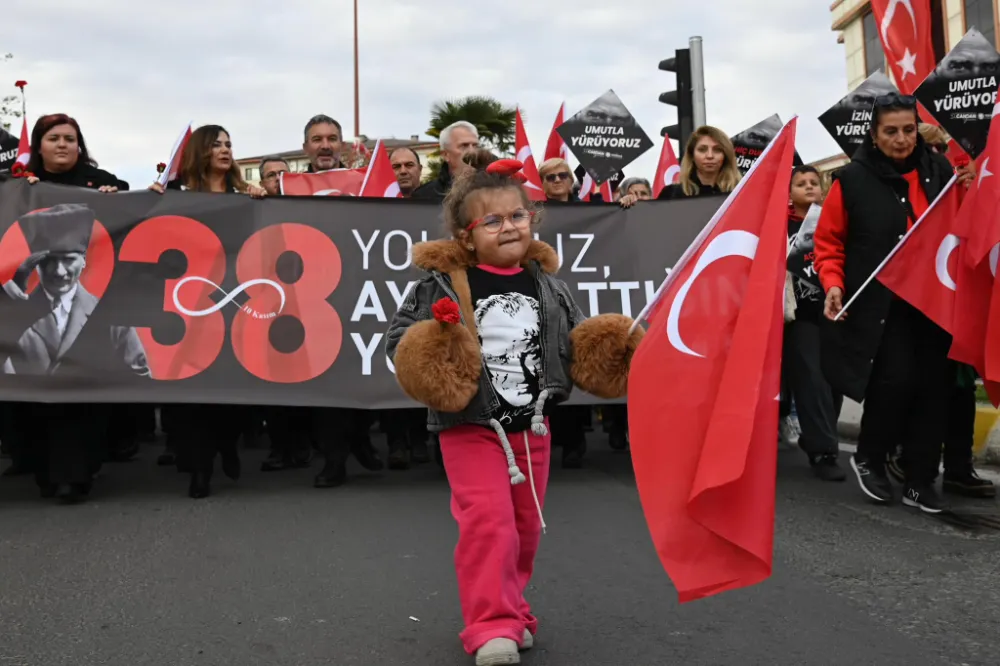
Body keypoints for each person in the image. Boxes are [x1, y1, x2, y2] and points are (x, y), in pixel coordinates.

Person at [385, 158, 643, 665]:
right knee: (490, 524)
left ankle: (511, 608)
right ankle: (490, 626)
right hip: (471, 428)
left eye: (518, 216)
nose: (509, 227)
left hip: (534, 428)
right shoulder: (437, 286)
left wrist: (615, 348)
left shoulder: (549, 286)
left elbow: (574, 346)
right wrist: (434, 345)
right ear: (466, 234)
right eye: (493, 221)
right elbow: (398, 342)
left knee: (524, 528)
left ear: (532, 220)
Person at [814, 93, 975, 513]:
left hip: (934, 298)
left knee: (935, 388)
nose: (902, 139)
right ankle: (869, 457)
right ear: (874, 133)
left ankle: (922, 478)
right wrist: (833, 283)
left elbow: (961, 225)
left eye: (908, 129)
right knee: (895, 381)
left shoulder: (940, 170)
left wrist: (973, 190)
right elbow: (829, 243)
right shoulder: (850, 180)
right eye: (891, 131)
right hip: (881, 303)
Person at [0, 205, 150, 503]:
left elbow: (139, 370)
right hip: (34, 407)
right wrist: (14, 292)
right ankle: (49, 475)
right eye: (47, 262)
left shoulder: (108, 311)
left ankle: (77, 477)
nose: (59, 272)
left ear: (84, 261)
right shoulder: (16, 308)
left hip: (87, 405)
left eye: (68, 260)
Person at [148, 124, 264, 497]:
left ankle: (227, 444)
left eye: (229, 144)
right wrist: (150, 202)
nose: (225, 150)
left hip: (230, 303)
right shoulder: (175, 195)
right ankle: (199, 468)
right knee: (192, 394)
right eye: (217, 145)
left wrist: (264, 200)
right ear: (200, 151)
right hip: (186, 306)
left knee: (230, 389)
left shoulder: (243, 195)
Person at [783, 165, 845, 481]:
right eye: (800, 183)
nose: (809, 188)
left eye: (813, 183)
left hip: (835, 312)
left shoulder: (835, 221)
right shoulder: (777, 224)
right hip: (800, 316)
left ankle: (818, 436)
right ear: (789, 191)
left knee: (834, 382)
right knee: (813, 378)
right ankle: (823, 452)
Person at [657, 126, 741, 200]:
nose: (710, 156)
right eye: (702, 149)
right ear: (692, 155)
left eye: (717, 150)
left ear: (726, 155)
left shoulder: (740, 193)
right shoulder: (672, 194)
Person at [412, 121, 480, 201]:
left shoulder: (494, 189)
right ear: (445, 155)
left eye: (475, 146)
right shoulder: (423, 196)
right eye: (464, 145)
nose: (472, 152)